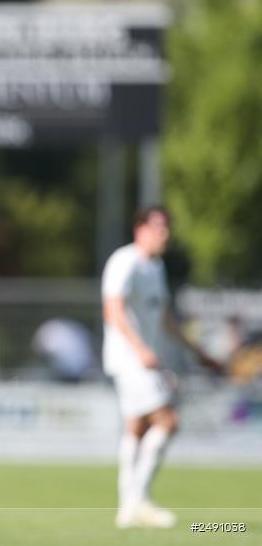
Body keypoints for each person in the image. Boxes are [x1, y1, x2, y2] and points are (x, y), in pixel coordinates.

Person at [102, 205, 221, 529]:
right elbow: (113, 310)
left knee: (137, 428)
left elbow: (167, 318)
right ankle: (137, 501)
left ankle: (127, 509)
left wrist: (197, 352)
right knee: (168, 421)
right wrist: (140, 349)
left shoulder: (156, 268)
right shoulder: (125, 261)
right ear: (139, 229)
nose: (163, 234)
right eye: (157, 228)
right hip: (129, 360)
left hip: (141, 360)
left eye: (166, 228)